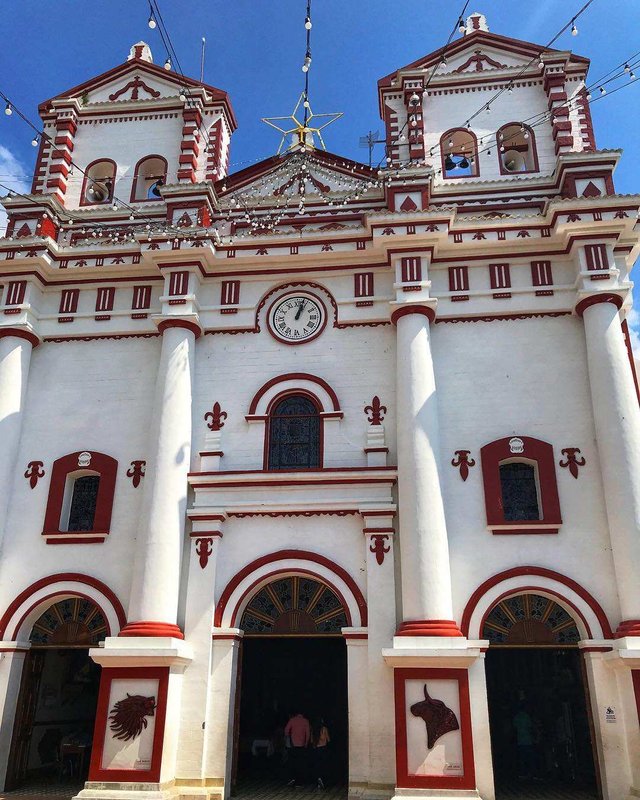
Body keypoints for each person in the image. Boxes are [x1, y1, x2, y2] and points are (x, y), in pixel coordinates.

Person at [284, 710, 310, 786]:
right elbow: (307, 733)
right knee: (301, 763)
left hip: (293, 745)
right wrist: (306, 743)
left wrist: (289, 737)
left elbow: (286, 731)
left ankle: (292, 778)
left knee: (292, 762)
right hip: (302, 746)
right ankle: (300, 781)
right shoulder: (305, 721)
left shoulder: (292, 720)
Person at [312, 717, 331, 789]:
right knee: (324, 764)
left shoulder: (313, 729)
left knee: (317, 765)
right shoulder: (324, 729)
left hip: (316, 749)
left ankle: (318, 780)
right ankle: (323, 780)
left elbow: (311, 741)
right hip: (323, 748)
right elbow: (328, 739)